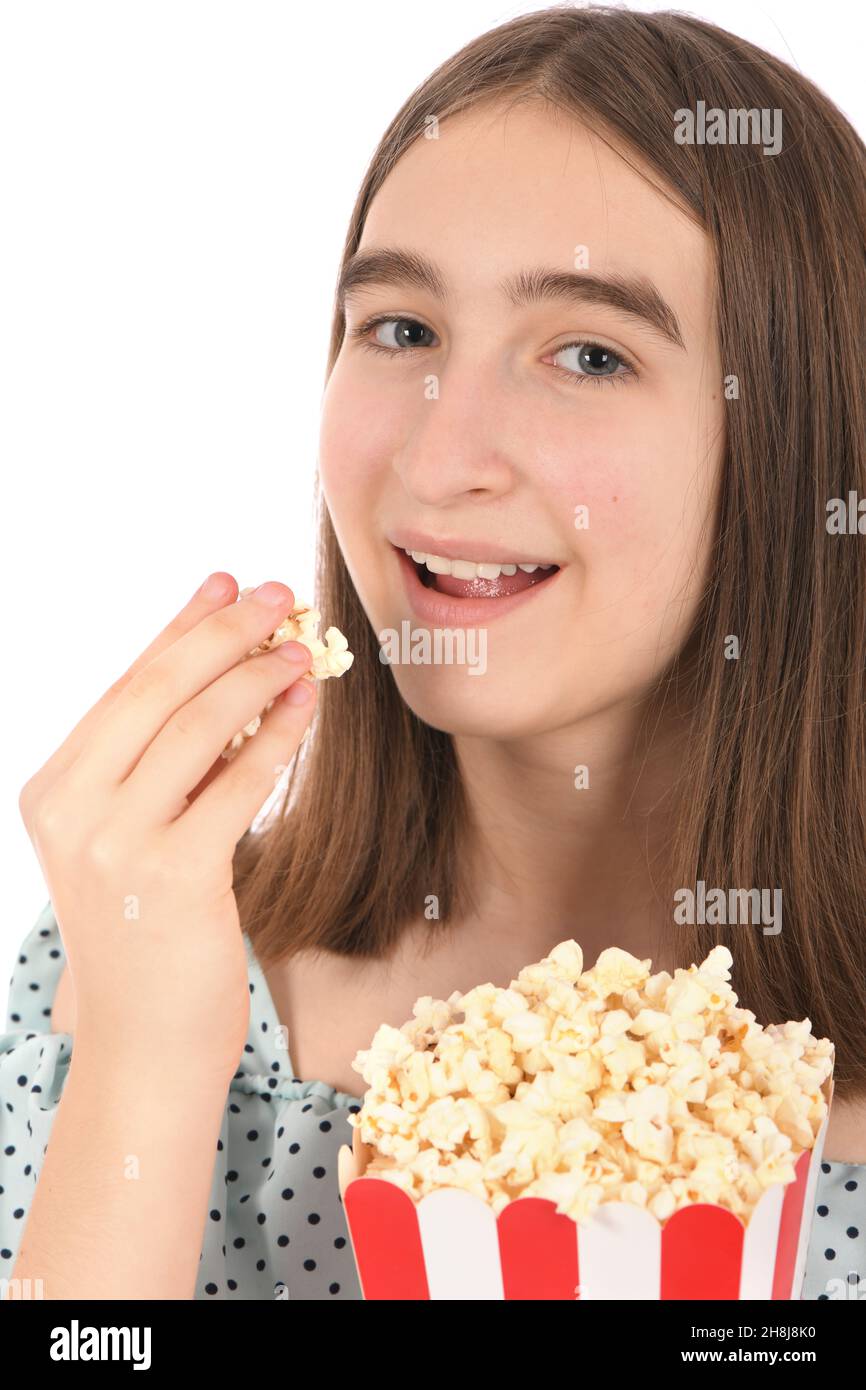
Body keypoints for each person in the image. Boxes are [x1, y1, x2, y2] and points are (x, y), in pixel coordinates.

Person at [3, 4, 864, 1301]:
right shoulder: (132, 969)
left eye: (586, 352)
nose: (437, 456)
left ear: (797, 445)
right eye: (399, 330)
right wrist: (147, 1060)